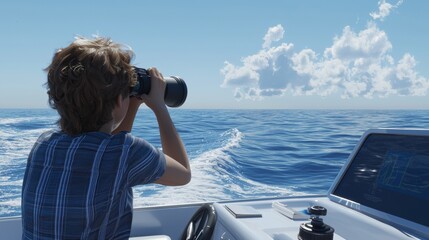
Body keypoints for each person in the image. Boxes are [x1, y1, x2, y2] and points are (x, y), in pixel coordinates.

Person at [21, 36, 191, 239]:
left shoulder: (44, 144)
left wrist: (131, 105)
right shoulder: (126, 152)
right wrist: (160, 108)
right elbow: (182, 174)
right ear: (120, 101)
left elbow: (109, 145)